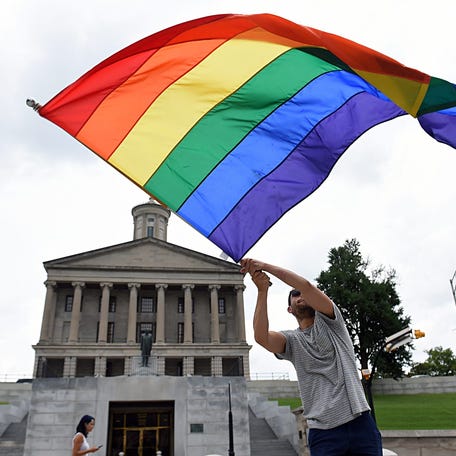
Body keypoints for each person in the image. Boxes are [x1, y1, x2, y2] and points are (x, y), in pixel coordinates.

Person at [240, 258, 382, 456]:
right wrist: (262, 290)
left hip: (360, 423)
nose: (300, 296)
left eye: (302, 294)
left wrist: (265, 267)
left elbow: (305, 286)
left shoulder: (333, 322)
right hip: (323, 433)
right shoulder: (291, 340)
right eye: (294, 296)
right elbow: (261, 337)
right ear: (290, 309)